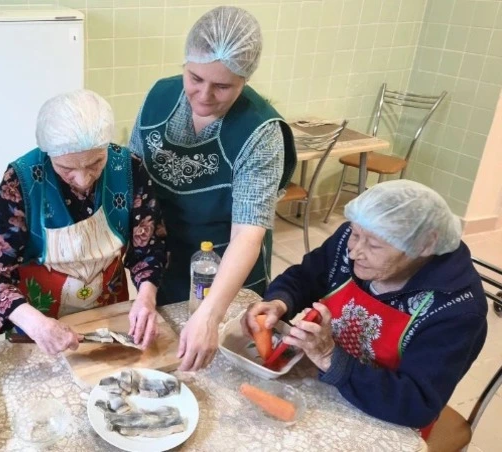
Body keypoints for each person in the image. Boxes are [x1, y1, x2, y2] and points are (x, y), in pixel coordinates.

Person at [245, 180, 487, 437]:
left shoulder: (457, 310)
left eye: (374, 245)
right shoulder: (355, 239)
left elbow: (417, 403)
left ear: (424, 245)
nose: (354, 253)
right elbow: (306, 276)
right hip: (325, 384)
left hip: (386, 417)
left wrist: (328, 356)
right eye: (355, 234)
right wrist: (279, 303)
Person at [129, 6, 296, 371]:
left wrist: (210, 314)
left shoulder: (261, 132)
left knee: (216, 367)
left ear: (245, 79)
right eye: (195, 78)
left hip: (225, 272)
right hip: (165, 258)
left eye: (223, 86)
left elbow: (248, 234)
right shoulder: (159, 97)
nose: (204, 95)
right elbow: (134, 179)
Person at [0, 89, 167, 353]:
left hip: (108, 313)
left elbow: (150, 248)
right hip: (39, 322)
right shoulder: (22, 180)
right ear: (48, 154)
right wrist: (35, 324)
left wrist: (146, 298)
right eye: (67, 168)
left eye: (95, 163)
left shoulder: (128, 169)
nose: (83, 180)